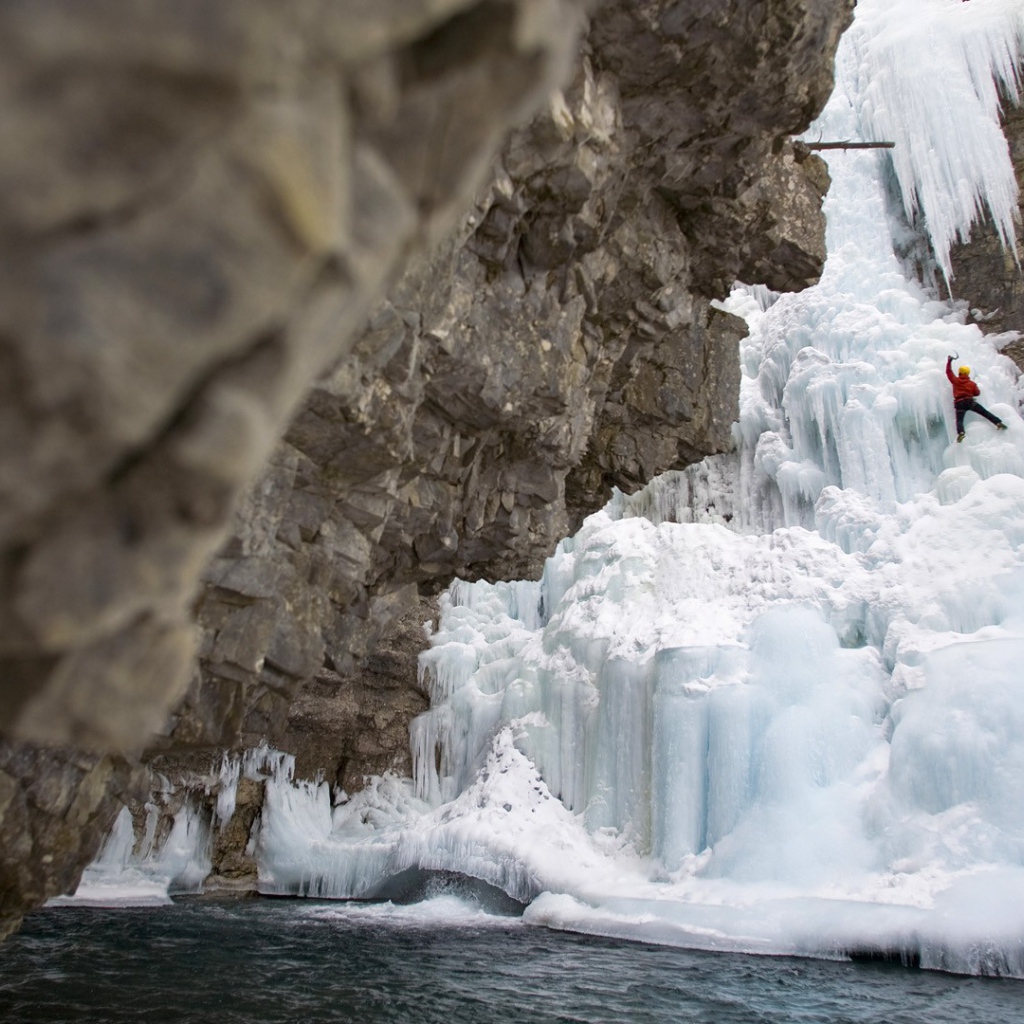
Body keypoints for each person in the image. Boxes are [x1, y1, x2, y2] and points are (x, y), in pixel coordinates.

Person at [946, 355, 1007, 442]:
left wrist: (949, 361)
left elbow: (949, 372)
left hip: (959, 403)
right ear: (967, 373)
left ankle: (961, 433)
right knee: (984, 412)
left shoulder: (955, 380)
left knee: (959, 420)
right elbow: (977, 393)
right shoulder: (972, 383)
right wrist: (971, 391)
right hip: (970, 402)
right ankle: (998, 423)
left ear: (959, 372)